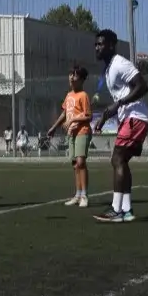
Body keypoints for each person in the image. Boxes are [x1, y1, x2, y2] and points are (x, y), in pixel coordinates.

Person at [92, 29, 148, 223]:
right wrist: (103, 118)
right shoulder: (109, 69)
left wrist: (119, 104)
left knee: (117, 159)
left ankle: (116, 209)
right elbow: (119, 100)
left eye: (101, 44)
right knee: (122, 161)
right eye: (95, 44)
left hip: (136, 117)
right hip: (130, 118)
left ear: (111, 45)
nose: (97, 47)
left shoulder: (119, 64)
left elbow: (142, 86)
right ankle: (126, 210)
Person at [47, 65, 92, 208]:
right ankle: (77, 195)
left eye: (75, 75)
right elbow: (64, 113)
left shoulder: (83, 95)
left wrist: (73, 120)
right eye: (71, 74)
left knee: (81, 162)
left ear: (82, 80)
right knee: (75, 165)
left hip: (82, 131)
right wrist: (54, 127)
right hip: (71, 133)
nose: (72, 77)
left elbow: (88, 116)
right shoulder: (68, 95)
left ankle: (84, 195)